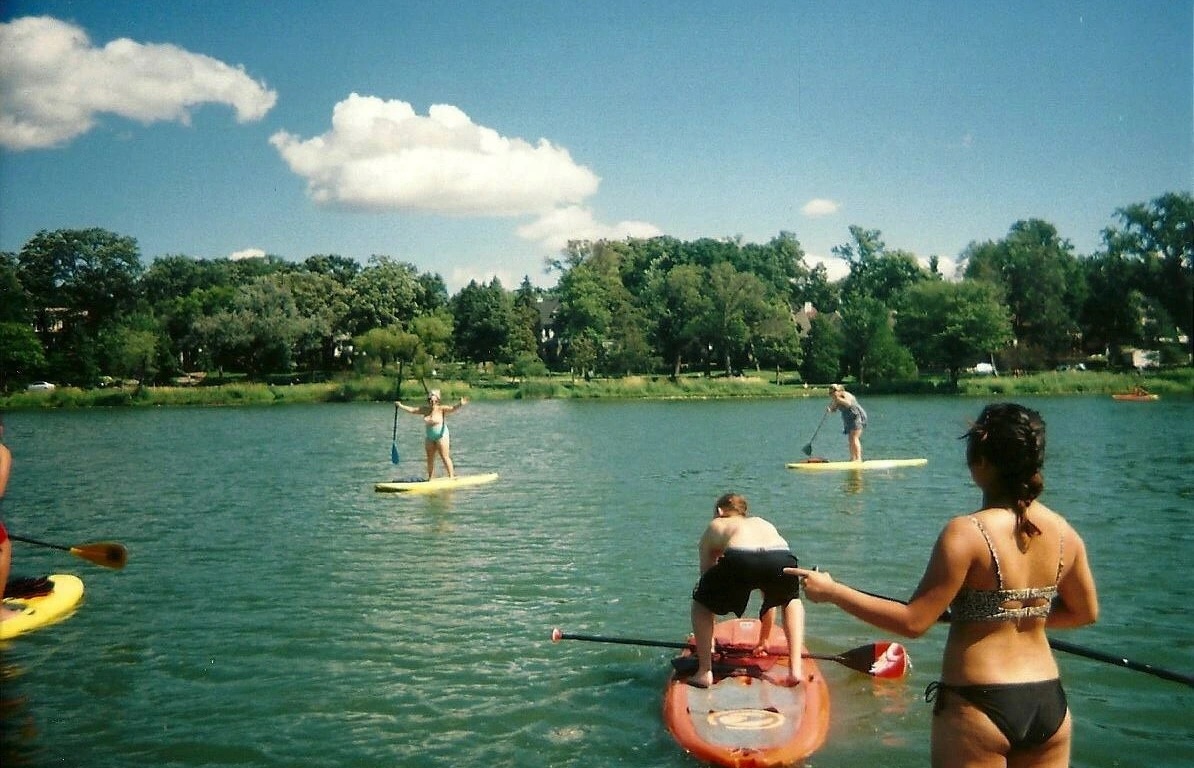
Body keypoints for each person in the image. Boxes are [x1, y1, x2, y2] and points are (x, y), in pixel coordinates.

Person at [787, 403, 1099, 767]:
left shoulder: (966, 533)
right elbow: (1083, 612)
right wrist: (1012, 613)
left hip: (979, 702)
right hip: (1048, 704)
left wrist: (833, 592)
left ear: (980, 461)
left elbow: (913, 622)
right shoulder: (1065, 533)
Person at [686, 492, 805, 688]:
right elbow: (769, 598)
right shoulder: (762, 523)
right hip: (782, 556)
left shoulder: (717, 524)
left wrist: (709, 642)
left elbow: (706, 583)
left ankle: (704, 671)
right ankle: (795, 670)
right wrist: (763, 641)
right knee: (790, 600)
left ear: (719, 511)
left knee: (700, 604)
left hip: (741, 556)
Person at [395, 389, 468, 479]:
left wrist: (460, 404)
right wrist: (400, 405)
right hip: (430, 436)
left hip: (441, 435)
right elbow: (413, 410)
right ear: (428, 401)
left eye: (435, 401)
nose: (432, 402)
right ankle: (431, 478)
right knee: (430, 458)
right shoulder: (425, 409)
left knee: (444, 456)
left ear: (438, 401)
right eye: (430, 400)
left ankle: (451, 476)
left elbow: (453, 409)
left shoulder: (441, 409)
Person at [827, 383, 867, 462]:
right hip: (848, 419)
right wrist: (830, 409)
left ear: (838, 391)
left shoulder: (846, 395)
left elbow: (848, 404)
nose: (831, 395)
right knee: (850, 439)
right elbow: (834, 409)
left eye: (833, 392)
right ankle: (852, 458)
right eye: (830, 393)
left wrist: (838, 400)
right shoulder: (836, 399)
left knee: (854, 437)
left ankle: (858, 459)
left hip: (856, 416)